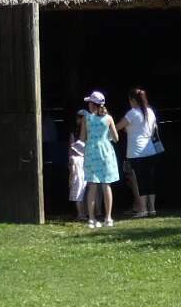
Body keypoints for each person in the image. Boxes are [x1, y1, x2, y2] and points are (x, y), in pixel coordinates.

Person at [80, 90, 120, 227]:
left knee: (92, 186)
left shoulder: (87, 118)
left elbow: (82, 138)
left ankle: (91, 219)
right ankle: (108, 218)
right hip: (106, 152)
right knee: (106, 184)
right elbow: (116, 138)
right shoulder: (108, 118)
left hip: (91, 151)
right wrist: (105, 136)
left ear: (92, 104)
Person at [122, 87, 163, 218]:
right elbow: (152, 131)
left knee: (140, 181)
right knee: (150, 180)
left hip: (136, 152)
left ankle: (143, 210)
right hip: (150, 150)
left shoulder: (132, 113)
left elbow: (118, 126)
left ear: (133, 100)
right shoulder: (150, 111)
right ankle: (152, 209)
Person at [66, 107, 88, 222]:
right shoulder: (88, 132)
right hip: (83, 160)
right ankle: (82, 213)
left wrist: (70, 161)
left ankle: (81, 213)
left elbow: (71, 148)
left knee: (79, 186)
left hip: (78, 160)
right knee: (82, 186)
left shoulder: (76, 132)